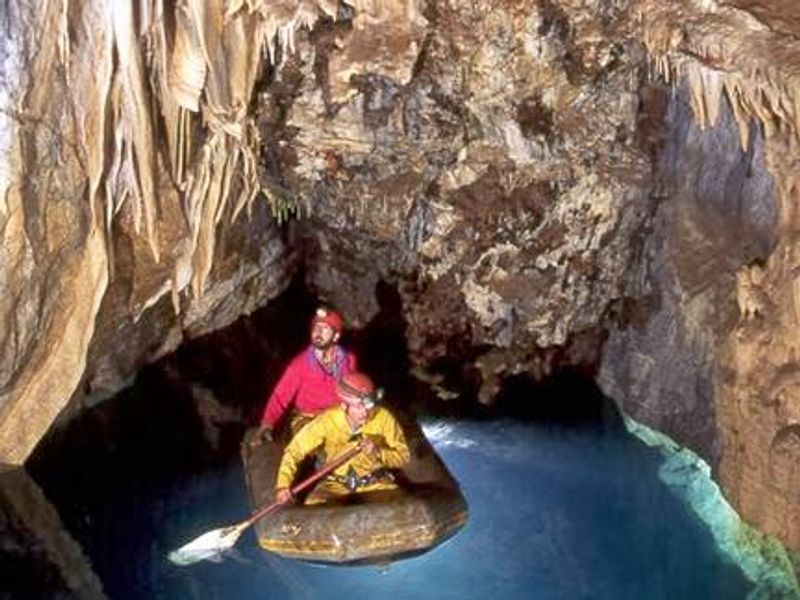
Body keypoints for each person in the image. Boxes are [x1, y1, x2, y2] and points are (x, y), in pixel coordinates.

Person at [274, 372, 410, 505]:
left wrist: (378, 452)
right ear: (344, 406)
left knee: (402, 507)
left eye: (368, 405)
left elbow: (403, 457)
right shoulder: (327, 421)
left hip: (375, 483)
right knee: (314, 506)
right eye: (358, 407)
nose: (365, 412)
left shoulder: (384, 417)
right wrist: (283, 485)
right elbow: (295, 450)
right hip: (336, 485)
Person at [251, 306, 356, 445]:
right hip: (307, 417)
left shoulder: (349, 360)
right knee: (309, 442)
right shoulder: (300, 364)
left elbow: (354, 390)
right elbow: (281, 395)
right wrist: (267, 422)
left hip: (336, 415)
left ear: (336, 336)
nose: (318, 332)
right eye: (316, 328)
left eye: (325, 329)